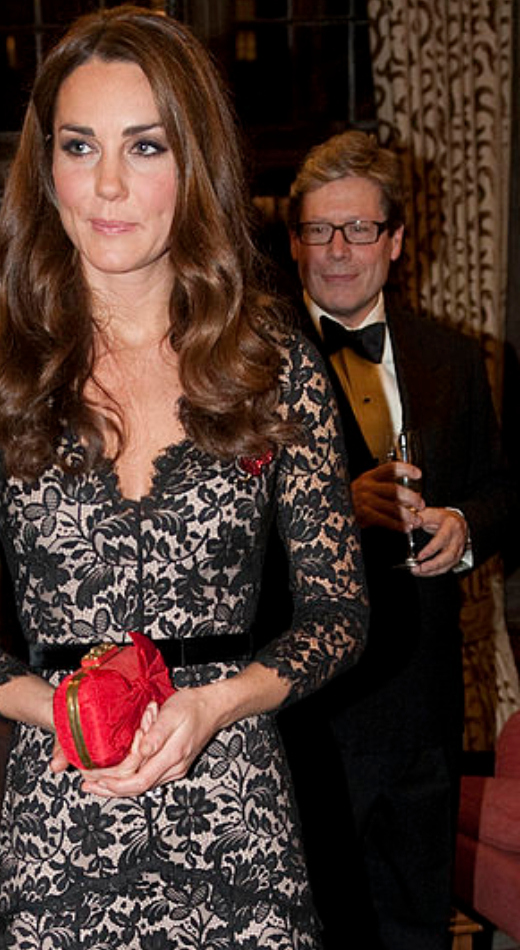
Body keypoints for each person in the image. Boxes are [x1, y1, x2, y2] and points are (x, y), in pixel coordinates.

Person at [0, 8, 367, 948]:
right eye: (80, 146)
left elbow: (340, 614)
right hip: (60, 825)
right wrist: (53, 709)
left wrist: (216, 702)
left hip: (237, 822)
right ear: (48, 167)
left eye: (144, 146)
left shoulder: (275, 366)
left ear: (195, 165)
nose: (107, 185)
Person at [271, 129, 518, 950]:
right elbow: (213, 538)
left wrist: (466, 526)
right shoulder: (245, 367)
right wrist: (332, 507)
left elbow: (503, 490)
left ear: (397, 240)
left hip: (425, 703)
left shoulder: (453, 358)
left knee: (417, 927)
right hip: (307, 710)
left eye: (360, 229)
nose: (338, 252)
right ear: (296, 239)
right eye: (318, 230)